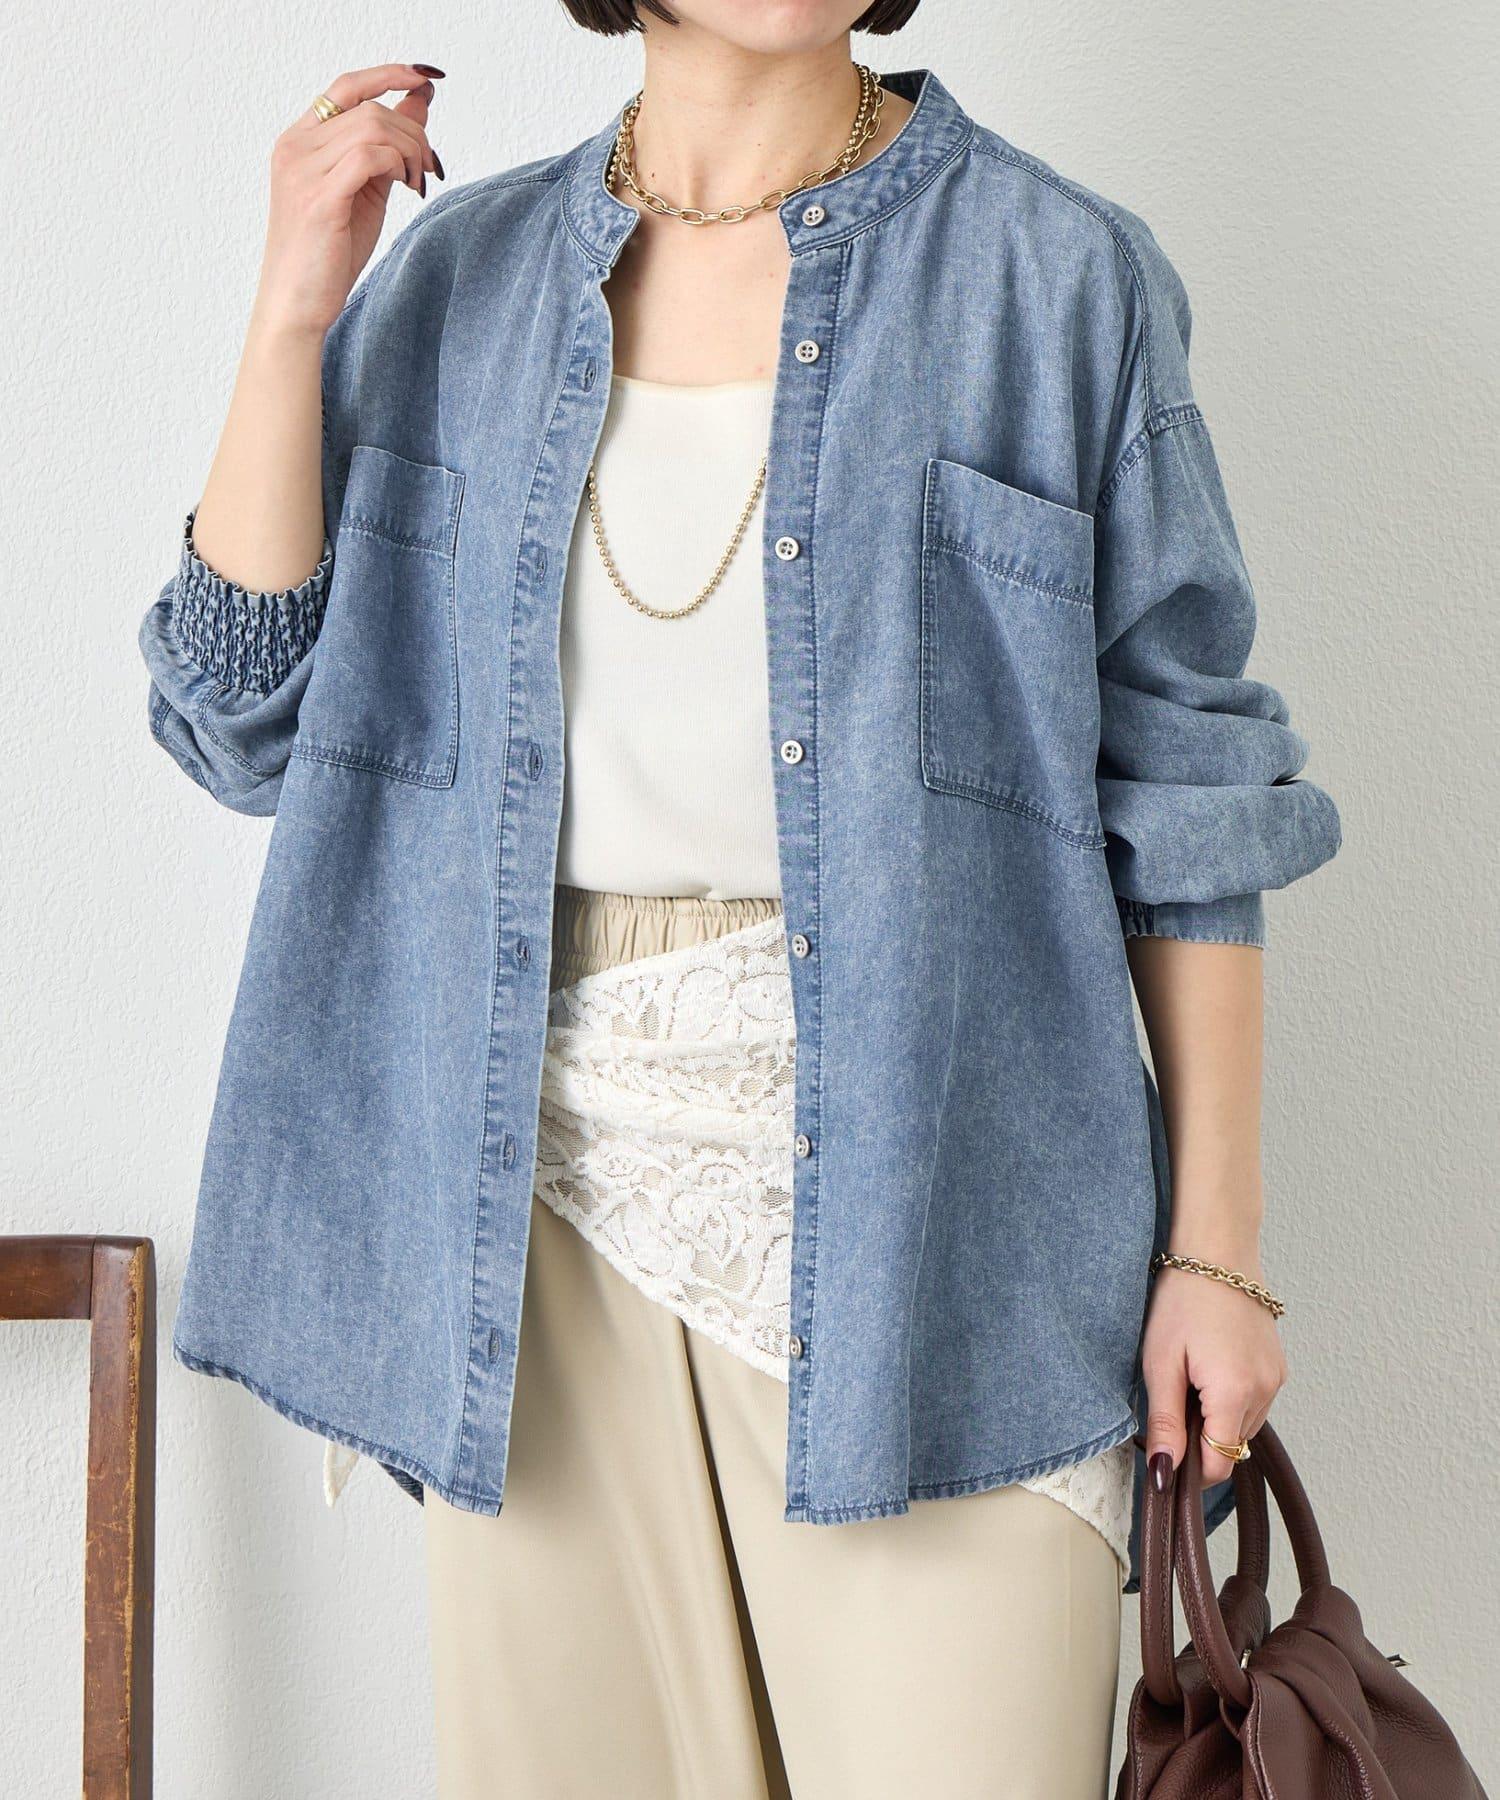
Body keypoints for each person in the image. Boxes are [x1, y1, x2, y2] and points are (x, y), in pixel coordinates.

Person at [139, 2, 1340, 1794]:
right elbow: (236, 720)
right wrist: (293, 308)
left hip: (956, 1250)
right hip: (532, 1246)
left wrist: (1217, 1254)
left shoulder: (1057, 278)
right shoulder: (460, 281)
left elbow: (1191, 801)